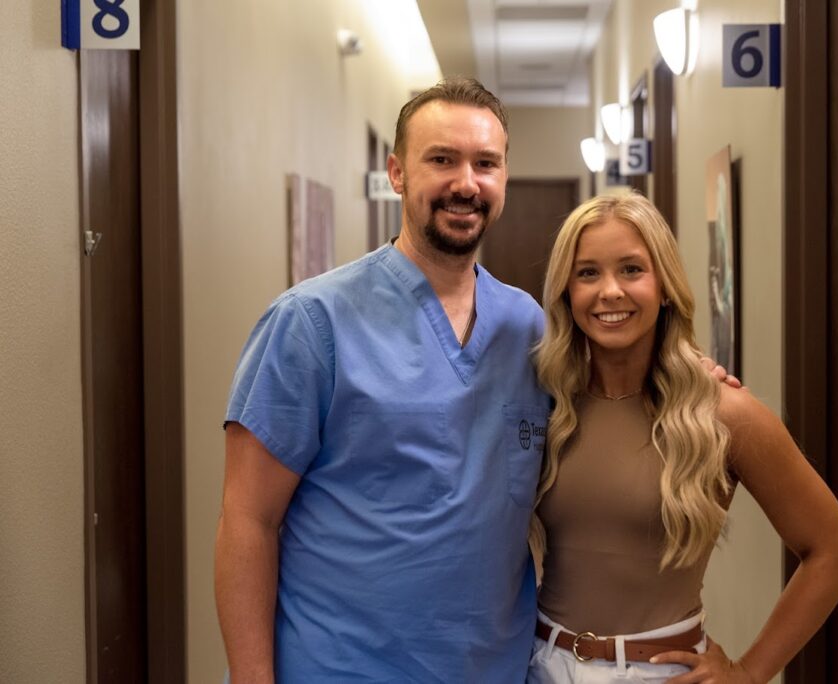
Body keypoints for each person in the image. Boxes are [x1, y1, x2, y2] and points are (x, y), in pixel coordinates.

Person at [215, 78, 737, 682]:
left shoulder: (531, 330)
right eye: (442, 159)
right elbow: (248, 520)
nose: (466, 183)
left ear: (503, 178)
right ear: (397, 172)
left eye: (485, 163)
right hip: (340, 666)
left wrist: (694, 370)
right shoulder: (311, 324)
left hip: (497, 668)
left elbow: (623, 382)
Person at [527, 194, 838, 683]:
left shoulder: (723, 413)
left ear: (664, 287)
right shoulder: (546, 405)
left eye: (632, 269)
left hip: (656, 672)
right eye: (588, 273)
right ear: (565, 293)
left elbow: (833, 551)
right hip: (539, 663)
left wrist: (748, 672)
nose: (610, 291)